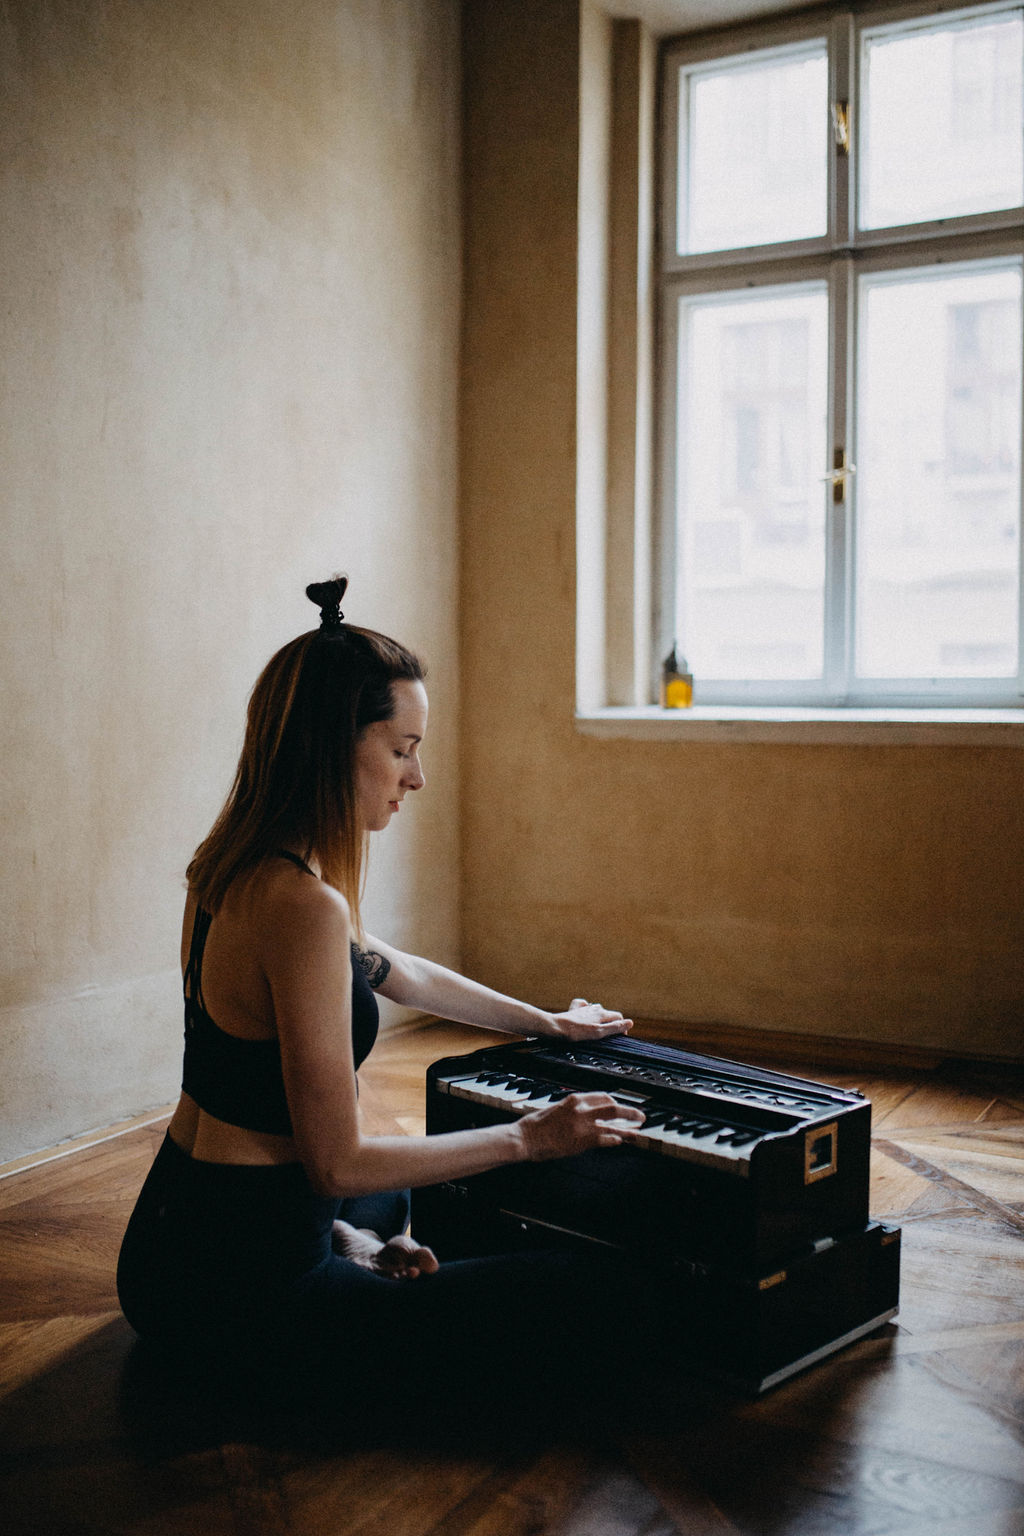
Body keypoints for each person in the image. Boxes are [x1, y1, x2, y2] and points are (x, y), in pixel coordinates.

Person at [117, 575, 667, 1443]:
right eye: (403, 748)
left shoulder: (226, 865)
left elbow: (395, 972)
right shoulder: (303, 906)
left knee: (394, 1211)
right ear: (335, 746)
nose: (419, 776)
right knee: (599, 1294)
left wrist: (547, 1023)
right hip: (250, 1300)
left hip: (165, 1249)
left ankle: (352, 1253)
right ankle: (341, 1282)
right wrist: (531, 1138)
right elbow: (334, 1164)